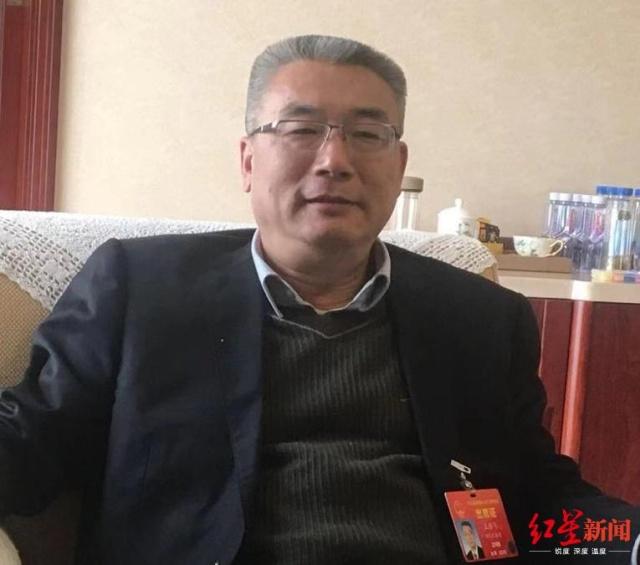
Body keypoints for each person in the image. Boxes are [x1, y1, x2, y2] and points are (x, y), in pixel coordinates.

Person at [0, 34, 638, 565]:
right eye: (301, 128)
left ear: (399, 164)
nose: (335, 160)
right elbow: (31, 444)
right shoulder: (139, 288)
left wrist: (628, 542)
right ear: (248, 161)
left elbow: (539, 494)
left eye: (368, 134)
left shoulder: (479, 318)